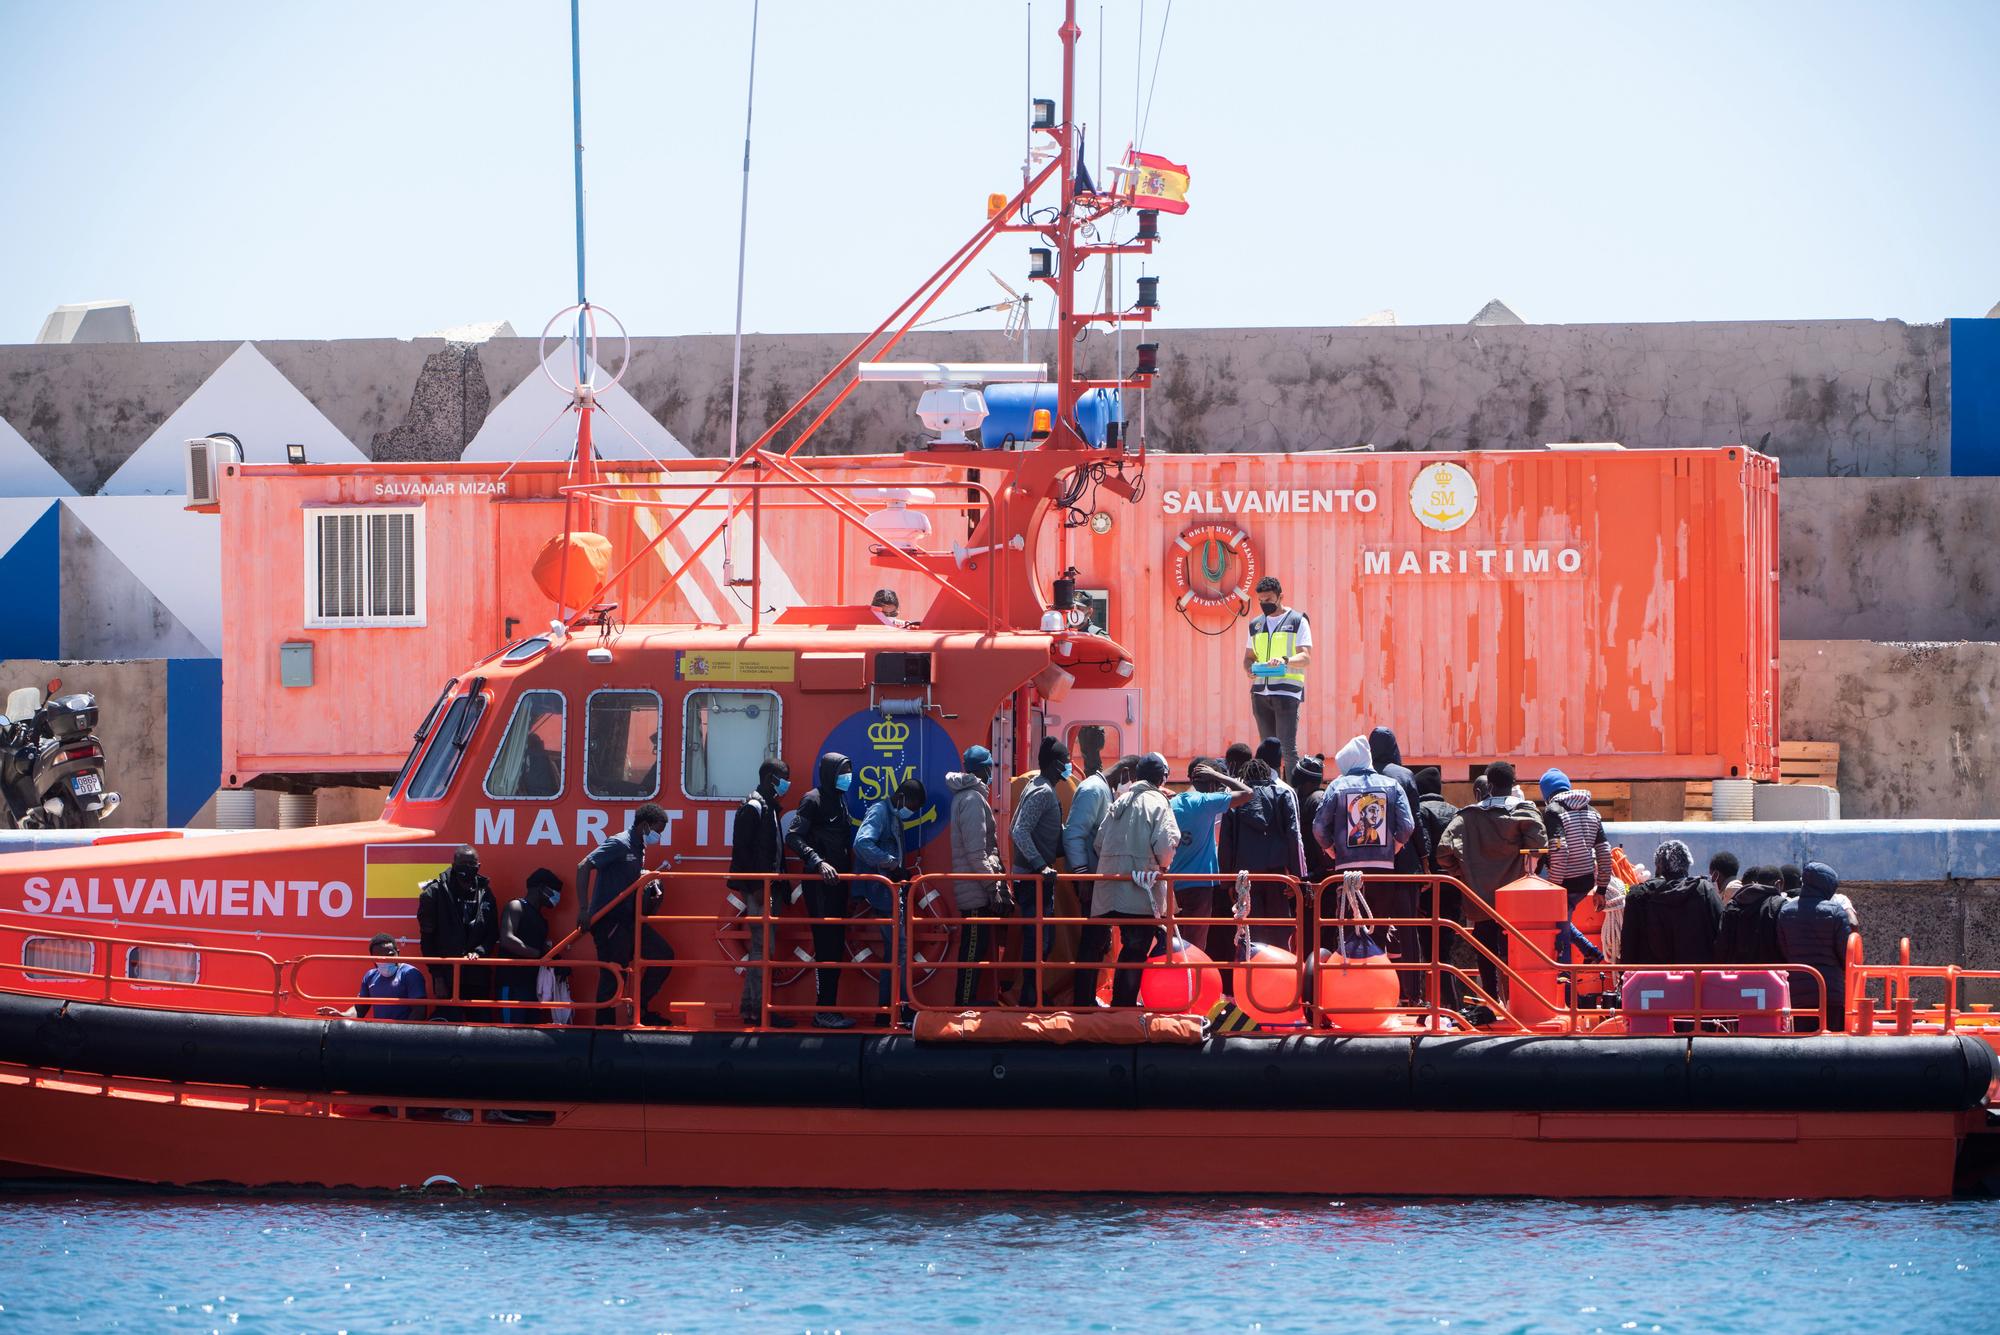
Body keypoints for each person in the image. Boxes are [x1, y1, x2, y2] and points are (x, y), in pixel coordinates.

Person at [1316, 734, 1421, 1005]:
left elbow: (1318, 828)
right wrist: (1394, 847)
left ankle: (1350, 996)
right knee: (1378, 932)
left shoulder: (1337, 786)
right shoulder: (1391, 784)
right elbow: (1408, 825)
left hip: (1347, 871)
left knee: (1349, 931)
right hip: (1383, 869)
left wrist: (1332, 851)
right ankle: (1382, 995)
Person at [1437, 763, 1549, 1006]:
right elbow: (1540, 847)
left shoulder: (1468, 816)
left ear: (1489, 784)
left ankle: (1490, 1001)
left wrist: (1465, 874)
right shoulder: (1525, 812)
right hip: (1515, 902)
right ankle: (1517, 1003)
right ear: (1513, 783)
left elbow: (1443, 852)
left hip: (1480, 901)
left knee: (1485, 951)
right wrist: (1525, 870)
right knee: (1515, 952)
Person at [1087, 752, 1179, 1007]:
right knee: (1135, 950)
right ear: (1163, 778)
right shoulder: (1159, 803)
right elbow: (1165, 847)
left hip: (1107, 887)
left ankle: (1083, 1002)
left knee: (1094, 947)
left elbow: (1098, 842)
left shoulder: (1120, 799)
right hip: (1140, 890)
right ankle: (1123, 1005)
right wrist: (1159, 866)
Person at [575, 804, 668, 1027]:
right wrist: (583, 909)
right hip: (608, 920)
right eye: (658, 830)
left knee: (663, 955)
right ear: (645, 825)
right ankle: (602, 1032)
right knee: (613, 975)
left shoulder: (639, 847)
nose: (659, 836)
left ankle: (639, 1008)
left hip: (628, 920)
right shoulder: (619, 842)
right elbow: (584, 866)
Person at [785, 753, 859, 1028]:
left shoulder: (840, 799)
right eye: (843, 772)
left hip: (839, 883)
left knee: (836, 945)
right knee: (826, 944)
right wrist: (818, 862)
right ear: (830, 773)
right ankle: (822, 1011)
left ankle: (830, 1008)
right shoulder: (812, 799)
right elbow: (793, 836)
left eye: (849, 771)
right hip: (820, 884)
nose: (847, 777)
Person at [854, 776, 926, 1023]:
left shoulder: (893, 816)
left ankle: (886, 1010)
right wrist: (891, 864)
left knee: (894, 952)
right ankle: (903, 1007)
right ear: (902, 797)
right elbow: (862, 843)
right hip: (881, 894)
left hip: (891, 895)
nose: (911, 812)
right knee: (900, 949)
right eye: (913, 807)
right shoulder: (880, 811)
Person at [1170, 758, 1255, 962]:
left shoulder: (1171, 802)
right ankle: (1193, 990)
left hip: (1171, 886)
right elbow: (1248, 793)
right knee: (1195, 947)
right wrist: (1219, 776)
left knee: (1173, 944)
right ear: (1211, 784)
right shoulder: (1206, 802)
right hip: (1199, 886)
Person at [1220, 757, 1307, 949]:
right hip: (1278, 877)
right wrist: (1297, 877)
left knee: (1251, 933)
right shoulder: (1282, 794)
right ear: (1268, 774)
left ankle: (1252, 975)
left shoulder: (1234, 801)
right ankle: (1283, 974)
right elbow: (1294, 835)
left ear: (1243, 777)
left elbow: (1226, 843)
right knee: (1281, 931)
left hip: (1245, 878)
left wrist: (1227, 881)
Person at [730, 759, 792, 1026]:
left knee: (763, 948)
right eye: (783, 777)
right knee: (761, 949)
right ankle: (759, 1010)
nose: (787, 783)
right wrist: (755, 887)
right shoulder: (754, 807)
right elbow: (742, 850)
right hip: (760, 889)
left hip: (771, 886)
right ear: (770, 778)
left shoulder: (770, 808)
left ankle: (752, 1009)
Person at [1009, 735, 1070, 1007]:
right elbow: (1018, 830)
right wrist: (1040, 864)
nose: (1068, 767)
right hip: (1033, 878)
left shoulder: (1039, 787)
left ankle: (1033, 992)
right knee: (1038, 940)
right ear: (1056, 764)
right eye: (1066, 762)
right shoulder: (1042, 791)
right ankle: (1029, 996)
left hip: (1035, 877)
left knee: (1043, 939)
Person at [947, 746, 1008, 1007]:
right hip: (975, 889)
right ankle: (964, 1005)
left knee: (975, 947)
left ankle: (968, 1002)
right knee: (972, 948)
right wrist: (992, 886)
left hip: (973, 885)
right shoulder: (972, 799)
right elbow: (976, 853)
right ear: (983, 768)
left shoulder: (968, 797)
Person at [416, 845, 496, 1021]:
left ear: (478, 866)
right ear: (454, 864)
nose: (467, 867)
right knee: (448, 1025)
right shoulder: (434, 893)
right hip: (447, 975)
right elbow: (427, 939)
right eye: (463, 863)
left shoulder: (485, 892)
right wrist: (437, 976)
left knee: (481, 1025)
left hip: (477, 976)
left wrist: (480, 952)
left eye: (471, 864)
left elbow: (492, 932)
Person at [1777, 861, 1858, 1032]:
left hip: (1797, 992)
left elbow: (1784, 950)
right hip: (1831, 991)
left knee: (1802, 1042)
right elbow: (1846, 954)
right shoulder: (1836, 911)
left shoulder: (1785, 911)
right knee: (1833, 1043)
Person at [1620, 839, 1725, 970]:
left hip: (1652, 982)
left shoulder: (1638, 895)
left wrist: (1624, 977)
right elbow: (1723, 933)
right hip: (1697, 980)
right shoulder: (1704, 890)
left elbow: (1628, 944)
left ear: (1658, 867)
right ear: (1687, 865)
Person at [1242, 575, 1311, 775]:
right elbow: (1248, 657)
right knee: (1267, 750)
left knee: (1288, 749)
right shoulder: (1255, 624)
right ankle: (1270, 793)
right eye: (1261, 601)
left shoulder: (1298, 620)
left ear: (1281, 597)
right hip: (1260, 693)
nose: (1264, 605)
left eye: (1269, 600)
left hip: (1287, 692)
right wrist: (1248, 668)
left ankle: (1293, 796)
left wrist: (1285, 660)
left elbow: (1306, 657)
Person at [494, 869, 561, 1023]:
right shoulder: (516, 906)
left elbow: (543, 948)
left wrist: (557, 961)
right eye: (555, 891)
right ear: (542, 888)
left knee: (531, 1038)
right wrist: (537, 955)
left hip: (533, 987)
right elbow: (507, 939)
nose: (557, 896)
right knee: (511, 1035)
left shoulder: (542, 920)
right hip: (511, 984)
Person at [319, 933, 427, 1020]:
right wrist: (342, 1016)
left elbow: (420, 1012)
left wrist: (399, 1036)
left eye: (389, 955)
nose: (385, 960)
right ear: (372, 958)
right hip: (378, 1036)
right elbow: (359, 1010)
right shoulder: (370, 976)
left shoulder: (410, 974)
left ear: (398, 953)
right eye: (379, 957)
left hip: (403, 1038)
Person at [1716, 865, 1787, 967]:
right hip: (1770, 978)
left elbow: (1721, 945)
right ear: (1779, 884)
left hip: (1735, 977)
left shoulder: (1732, 905)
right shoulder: (1779, 906)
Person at [1290, 754, 1336, 887]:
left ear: (1306, 782)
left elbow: (1322, 838)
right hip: (1309, 873)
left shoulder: (1317, 799)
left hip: (1319, 877)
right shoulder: (1304, 797)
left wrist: (1318, 873)